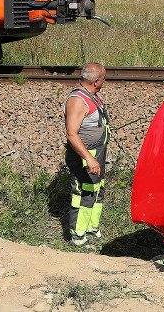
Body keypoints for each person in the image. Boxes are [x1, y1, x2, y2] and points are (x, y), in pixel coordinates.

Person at [64, 63, 110, 246]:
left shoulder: (92, 96)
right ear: (97, 81)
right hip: (85, 156)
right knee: (83, 193)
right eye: (104, 78)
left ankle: (91, 226)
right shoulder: (77, 100)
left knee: (97, 190)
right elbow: (71, 134)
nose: (105, 81)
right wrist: (89, 158)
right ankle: (78, 235)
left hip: (96, 152)